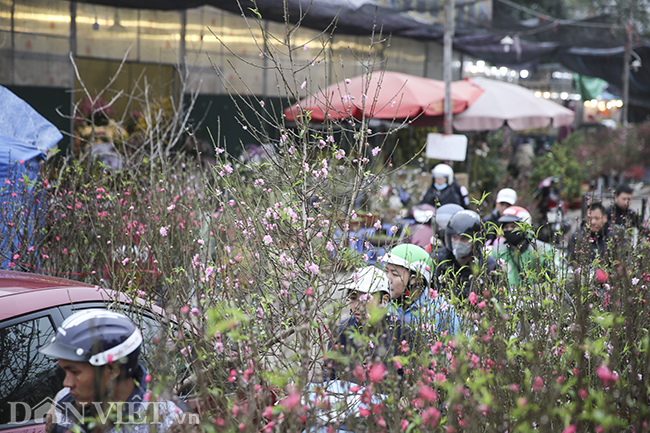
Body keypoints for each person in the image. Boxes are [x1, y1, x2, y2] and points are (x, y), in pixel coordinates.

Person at [39, 310, 187, 433]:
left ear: (113, 370)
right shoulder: (64, 400)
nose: (67, 383)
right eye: (64, 371)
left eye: (75, 372)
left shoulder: (164, 421)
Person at [325, 266, 401, 382]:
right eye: (353, 298)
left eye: (366, 299)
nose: (357, 306)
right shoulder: (341, 331)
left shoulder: (401, 332)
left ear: (384, 300)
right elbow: (329, 375)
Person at [382, 243, 459, 336]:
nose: (387, 279)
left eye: (395, 274)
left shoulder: (442, 312)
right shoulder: (383, 304)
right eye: (386, 271)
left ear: (417, 278)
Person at [489, 206, 562, 290]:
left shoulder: (543, 250)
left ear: (525, 227)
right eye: (505, 227)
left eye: (513, 226)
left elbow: (558, 277)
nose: (509, 230)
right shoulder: (496, 251)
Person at [433, 210, 499, 301]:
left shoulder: (488, 266)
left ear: (476, 241)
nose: (458, 243)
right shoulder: (437, 260)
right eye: (455, 237)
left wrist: (478, 313)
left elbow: (496, 300)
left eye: (464, 239)